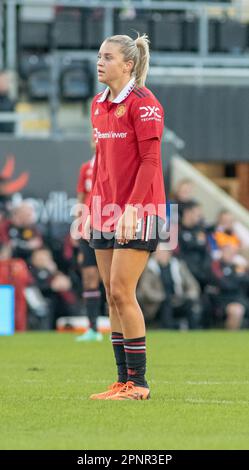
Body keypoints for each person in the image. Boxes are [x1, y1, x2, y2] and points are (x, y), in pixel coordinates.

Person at [82, 33, 166, 400]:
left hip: (140, 208)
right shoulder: (98, 103)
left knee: (121, 290)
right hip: (104, 207)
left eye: (107, 56)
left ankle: (140, 383)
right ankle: (123, 381)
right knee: (110, 296)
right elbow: (101, 162)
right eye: (99, 55)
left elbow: (151, 162)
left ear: (128, 65)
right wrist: (90, 206)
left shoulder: (145, 103)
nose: (100, 61)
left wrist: (132, 207)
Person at [75, 147, 103, 342]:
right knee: (89, 277)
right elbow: (80, 198)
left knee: (113, 281)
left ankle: (120, 328)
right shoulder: (86, 167)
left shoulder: (113, 163)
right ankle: (92, 327)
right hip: (88, 228)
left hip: (108, 224)